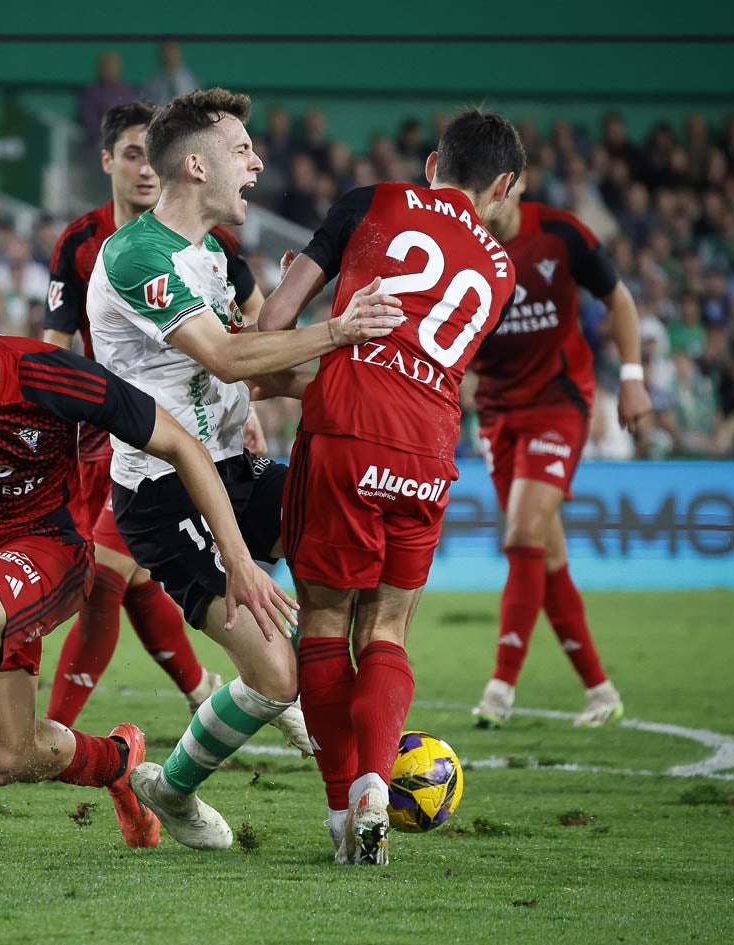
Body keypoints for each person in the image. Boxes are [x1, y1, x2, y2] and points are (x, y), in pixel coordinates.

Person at [0, 286, 297, 870]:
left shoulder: (51, 377)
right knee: (4, 759)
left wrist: (237, 556)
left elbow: (177, 443)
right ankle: (119, 761)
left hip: (51, 551)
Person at [87, 88, 403, 851]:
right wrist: (337, 329)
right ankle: (169, 788)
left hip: (238, 465)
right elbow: (228, 355)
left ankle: (362, 775)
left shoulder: (216, 259)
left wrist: (397, 382)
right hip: (162, 493)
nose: (257, 162)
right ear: (195, 165)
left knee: (362, 574)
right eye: (240, 149)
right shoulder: (136, 255)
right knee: (273, 671)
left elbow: (255, 373)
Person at [258, 107, 526, 865]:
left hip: (346, 432)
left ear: (433, 164)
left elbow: (276, 323)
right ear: (501, 184)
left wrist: (282, 306)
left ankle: (345, 811)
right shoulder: (500, 270)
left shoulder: (371, 202)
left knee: (321, 623)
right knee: (385, 628)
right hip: (428, 449)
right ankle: (380, 780)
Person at [43, 101, 267, 728]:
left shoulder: (213, 247)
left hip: (169, 440)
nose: (145, 170)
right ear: (109, 161)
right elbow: (57, 342)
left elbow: (253, 323)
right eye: (133, 155)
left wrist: (244, 399)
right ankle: (207, 688)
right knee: (132, 578)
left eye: (152, 155)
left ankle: (60, 730)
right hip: (103, 433)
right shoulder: (87, 244)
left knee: (113, 576)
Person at [469, 173, 651, 731]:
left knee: (522, 533)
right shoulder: (460, 245)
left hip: (559, 402)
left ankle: (500, 690)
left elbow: (617, 298)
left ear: (516, 184)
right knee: (545, 555)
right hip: (497, 412)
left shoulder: (562, 235)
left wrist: (633, 376)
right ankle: (600, 691)